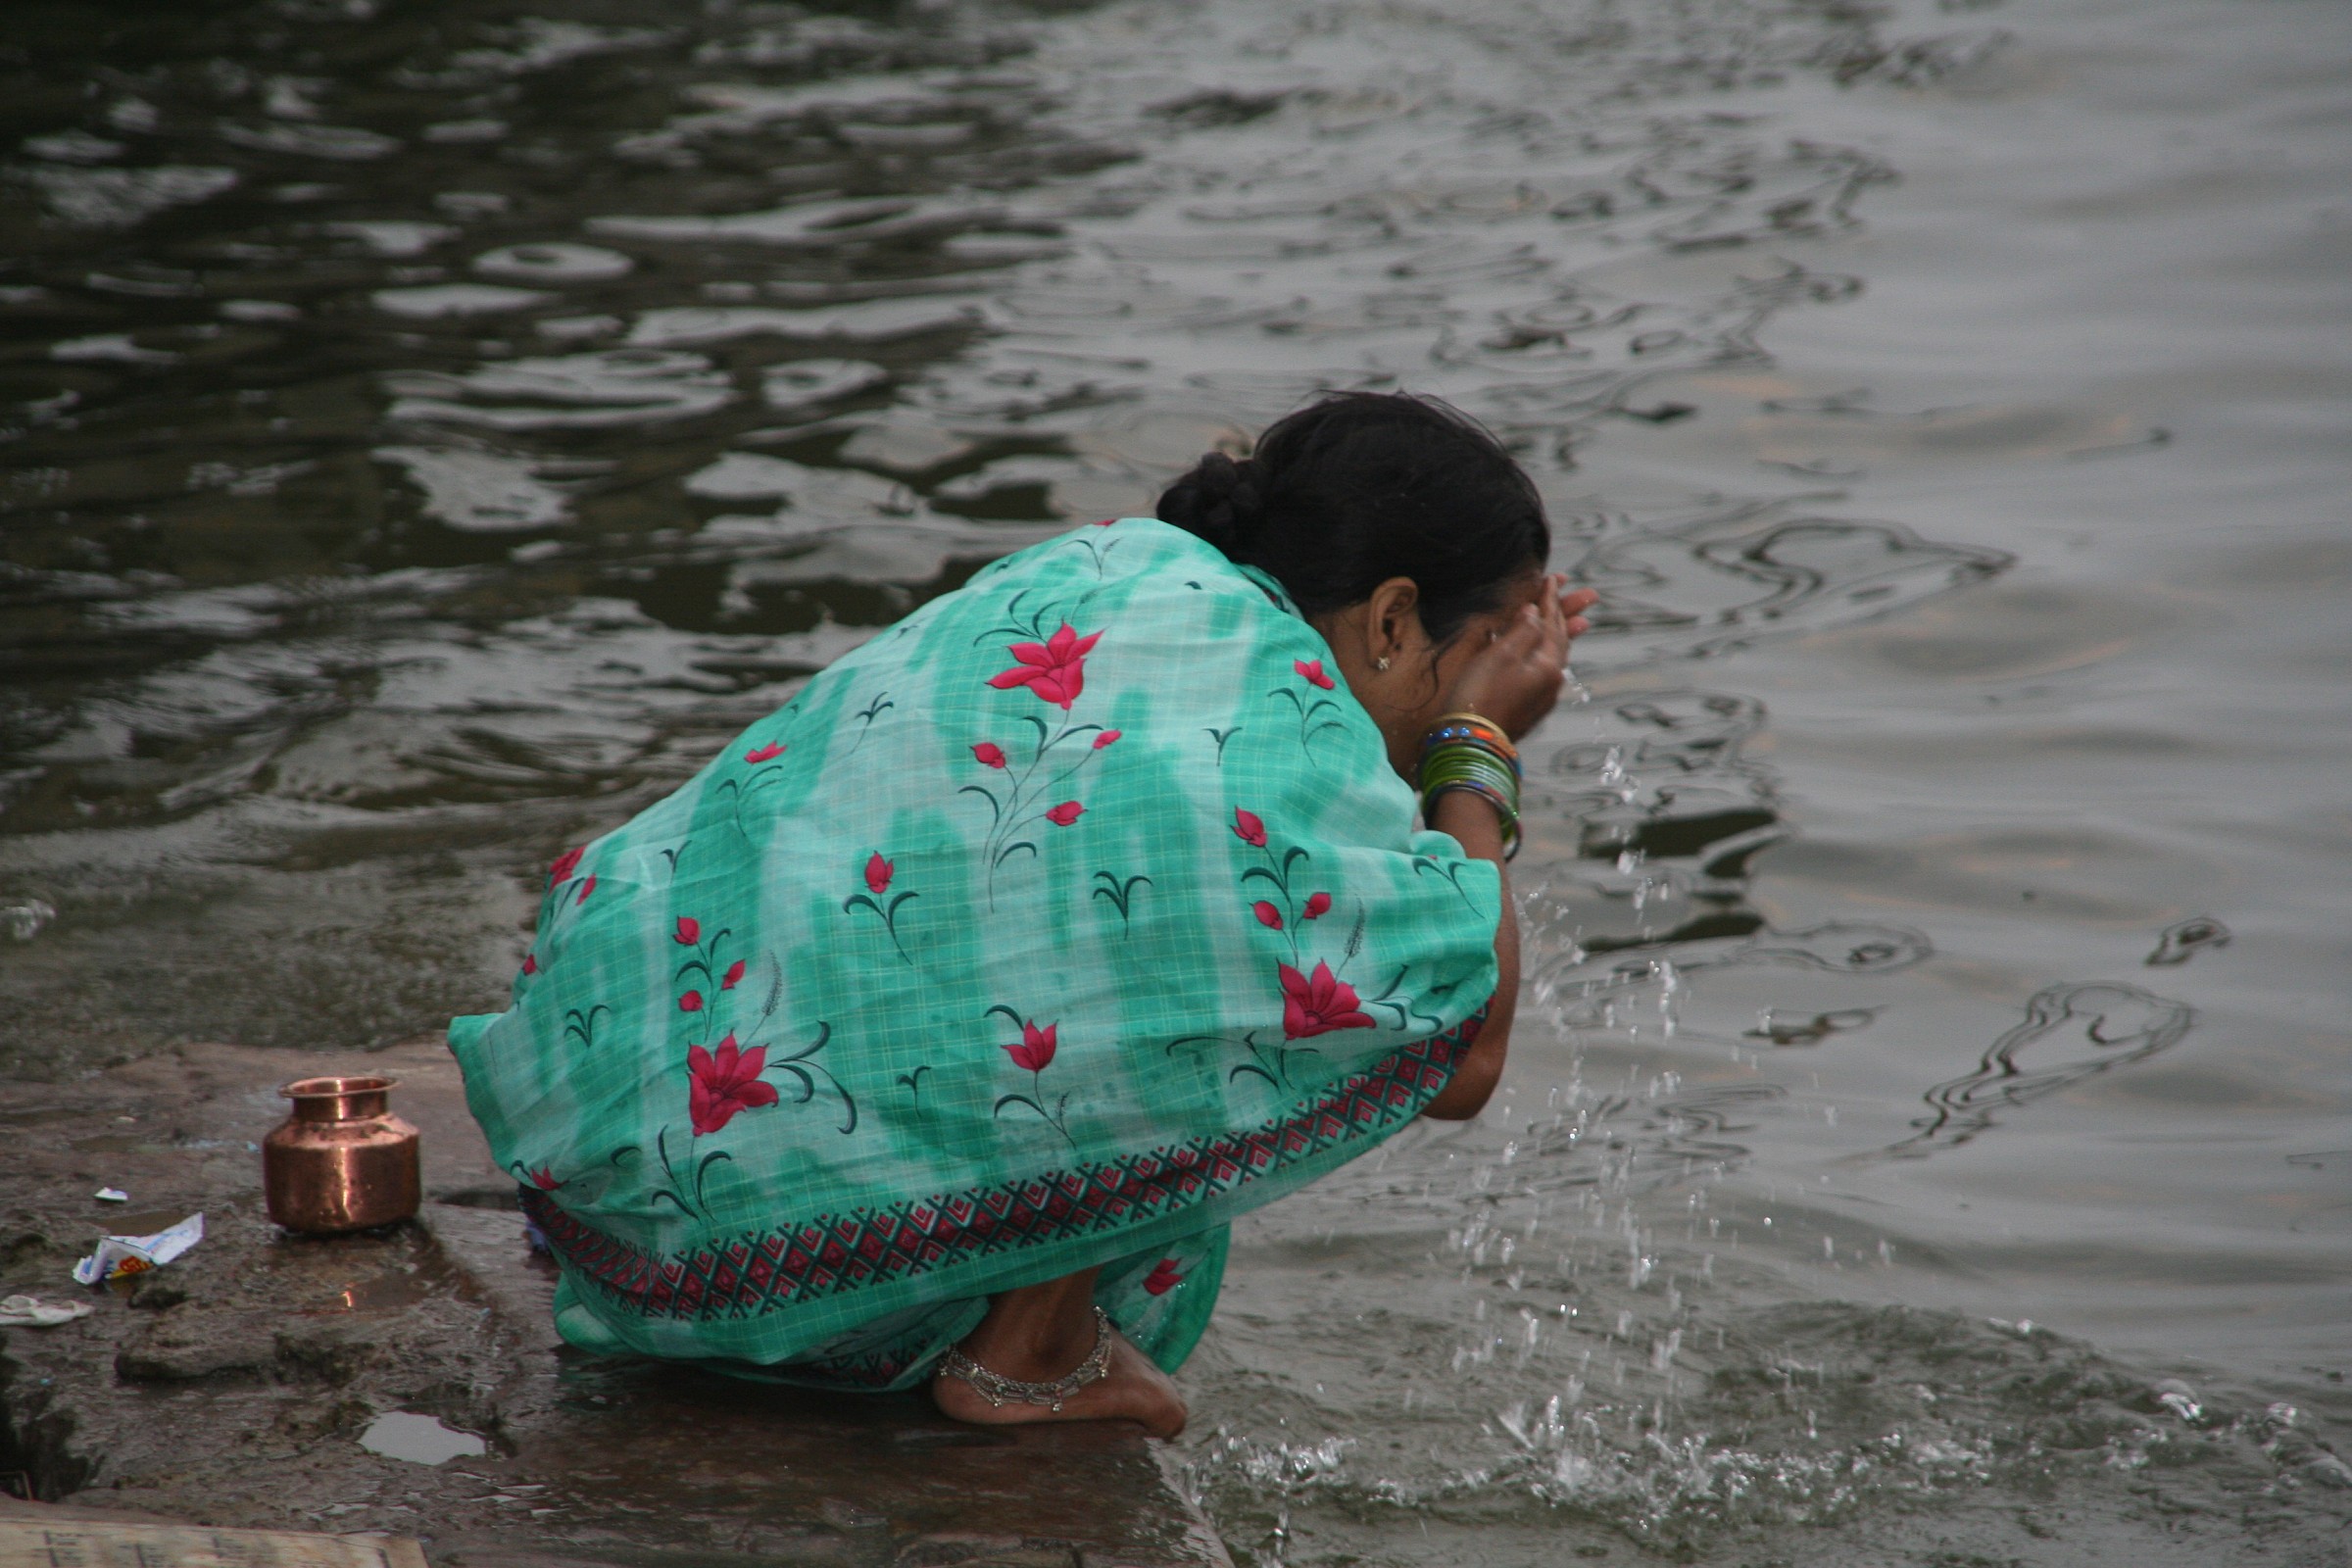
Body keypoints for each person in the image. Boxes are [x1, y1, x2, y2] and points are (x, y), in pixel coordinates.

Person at [448, 391, 1597, 1440]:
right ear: (1392, 619)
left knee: (1111, 923)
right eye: (1489, 651)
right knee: (1184, 972)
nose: (1492, 685)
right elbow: (1463, 1048)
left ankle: (1019, 1322)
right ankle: (1030, 1351)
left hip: (604, 1198)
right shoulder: (1277, 720)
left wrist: (1458, 704)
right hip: (737, 1287)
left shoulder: (1123, 570)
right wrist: (1477, 743)